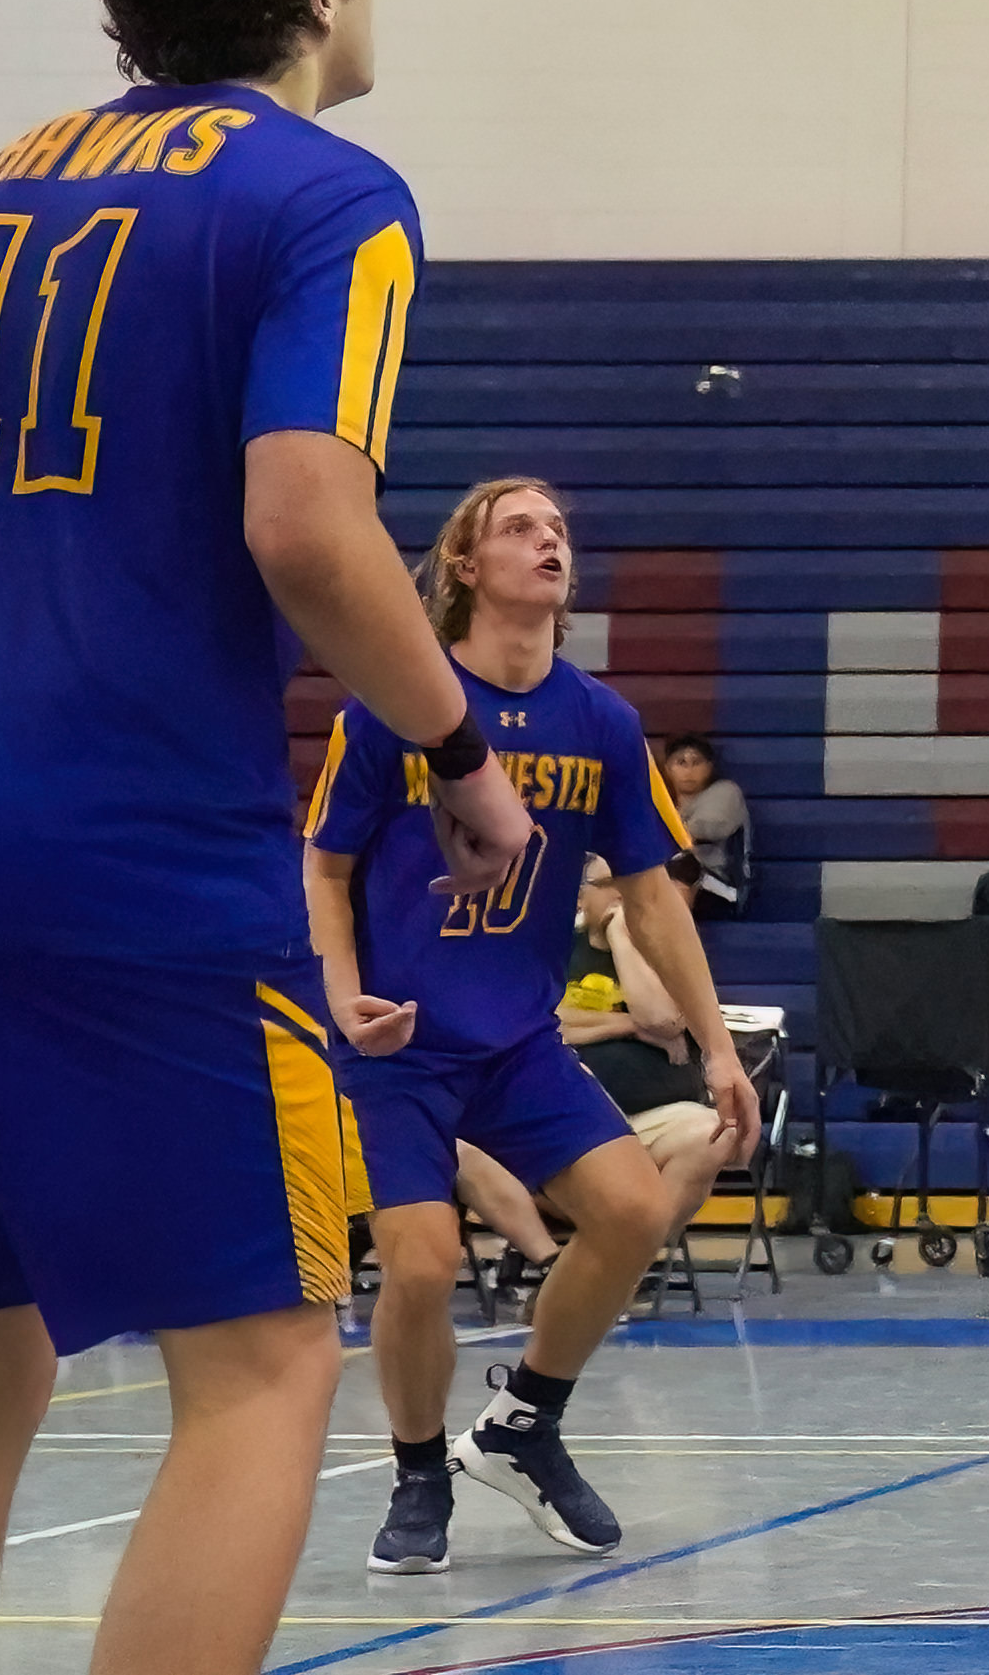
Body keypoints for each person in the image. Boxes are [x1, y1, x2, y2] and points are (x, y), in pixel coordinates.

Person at [0, 0, 536, 1675]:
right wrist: (455, 749)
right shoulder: (322, 193)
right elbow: (306, 520)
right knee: (269, 1361)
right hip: (136, 862)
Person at [306, 476, 757, 1574]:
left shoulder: (600, 719)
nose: (548, 539)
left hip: (517, 1040)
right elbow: (321, 868)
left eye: (557, 528)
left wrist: (718, 1044)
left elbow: (652, 895)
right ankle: (420, 1473)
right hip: (398, 1042)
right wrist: (339, 991)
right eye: (519, 526)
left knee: (635, 1208)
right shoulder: (389, 702)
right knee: (418, 1264)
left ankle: (523, 1422)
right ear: (464, 564)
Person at [556, 853, 735, 1241]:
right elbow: (547, 1024)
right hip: (568, 1121)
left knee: (713, 1134)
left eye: (627, 880)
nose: (620, 892)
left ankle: (629, 1254)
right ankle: (586, 1256)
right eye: (606, 884)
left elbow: (663, 1018)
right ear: (581, 897)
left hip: (653, 1119)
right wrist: (627, 1025)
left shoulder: (665, 952)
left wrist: (623, 937)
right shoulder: (554, 948)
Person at [659, 734, 748, 915]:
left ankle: (676, 937)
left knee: (683, 865)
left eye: (696, 762)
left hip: (720, 887)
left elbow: (706, 829)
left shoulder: (725, 792)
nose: (689, 770)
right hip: (669, 880)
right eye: (681, 762)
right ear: (668, 768)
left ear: (709, 767)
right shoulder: (663, 802)